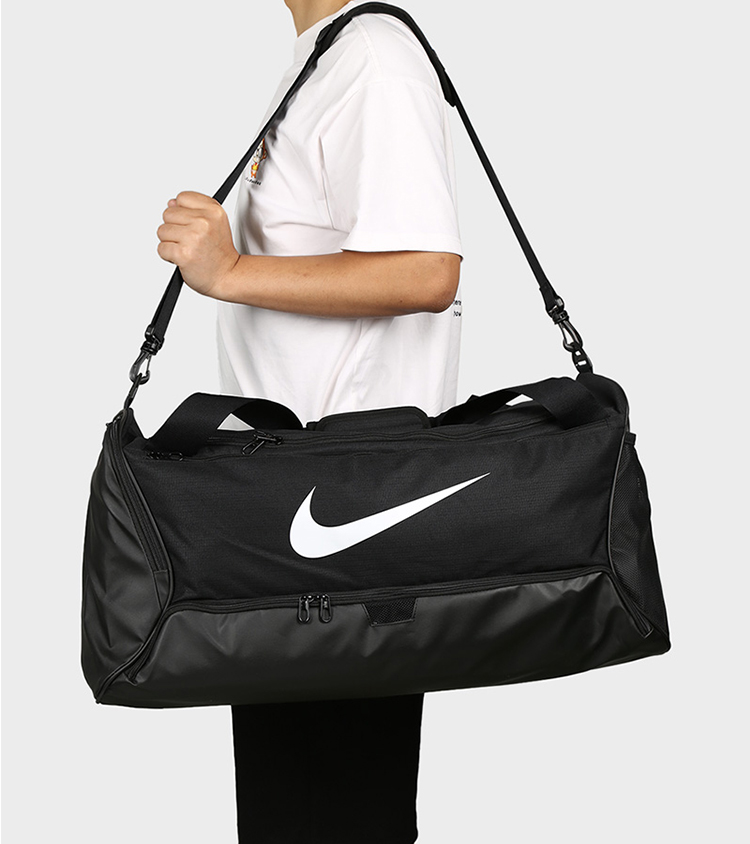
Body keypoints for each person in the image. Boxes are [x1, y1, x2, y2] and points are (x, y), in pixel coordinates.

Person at [155, 1, 463, 841]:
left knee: (330, 809)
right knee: (293, 807)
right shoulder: (324, 54)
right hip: (292, 509)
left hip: (348, 511)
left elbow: (428, 270)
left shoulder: (374, 59)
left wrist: (228, 270)